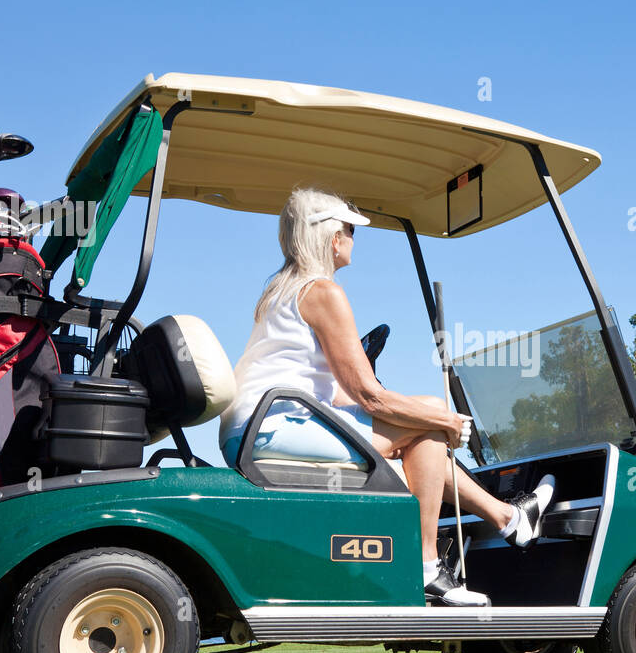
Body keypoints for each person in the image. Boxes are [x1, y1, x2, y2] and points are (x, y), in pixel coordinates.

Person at [218, 187, 556, 607]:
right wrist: (449, 423)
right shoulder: (323, 292)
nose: (354, 239)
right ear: (331, 238)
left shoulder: (281, 290)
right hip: (274, 429)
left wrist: (407, 411)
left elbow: (340, 394)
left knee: (423, 424)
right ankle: (430, 567)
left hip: (257, 428)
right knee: (431, 423)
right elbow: (369, 397)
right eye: (349, 230)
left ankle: (509, 519)